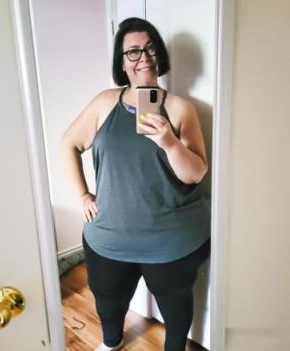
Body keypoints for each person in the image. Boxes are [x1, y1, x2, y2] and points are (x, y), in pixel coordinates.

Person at [61, 17, 210, 351]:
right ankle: (111, 342)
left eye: (151, 48)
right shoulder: (104, 102)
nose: (144, 56)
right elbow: (67, 144)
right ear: (122, 61)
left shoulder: (179, 108)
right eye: (133, 51)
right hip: (109, 236)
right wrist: (83, 195)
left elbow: (196, 173)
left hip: (172, 239)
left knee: (175, 307)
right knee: (108, 300)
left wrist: (169, 142)